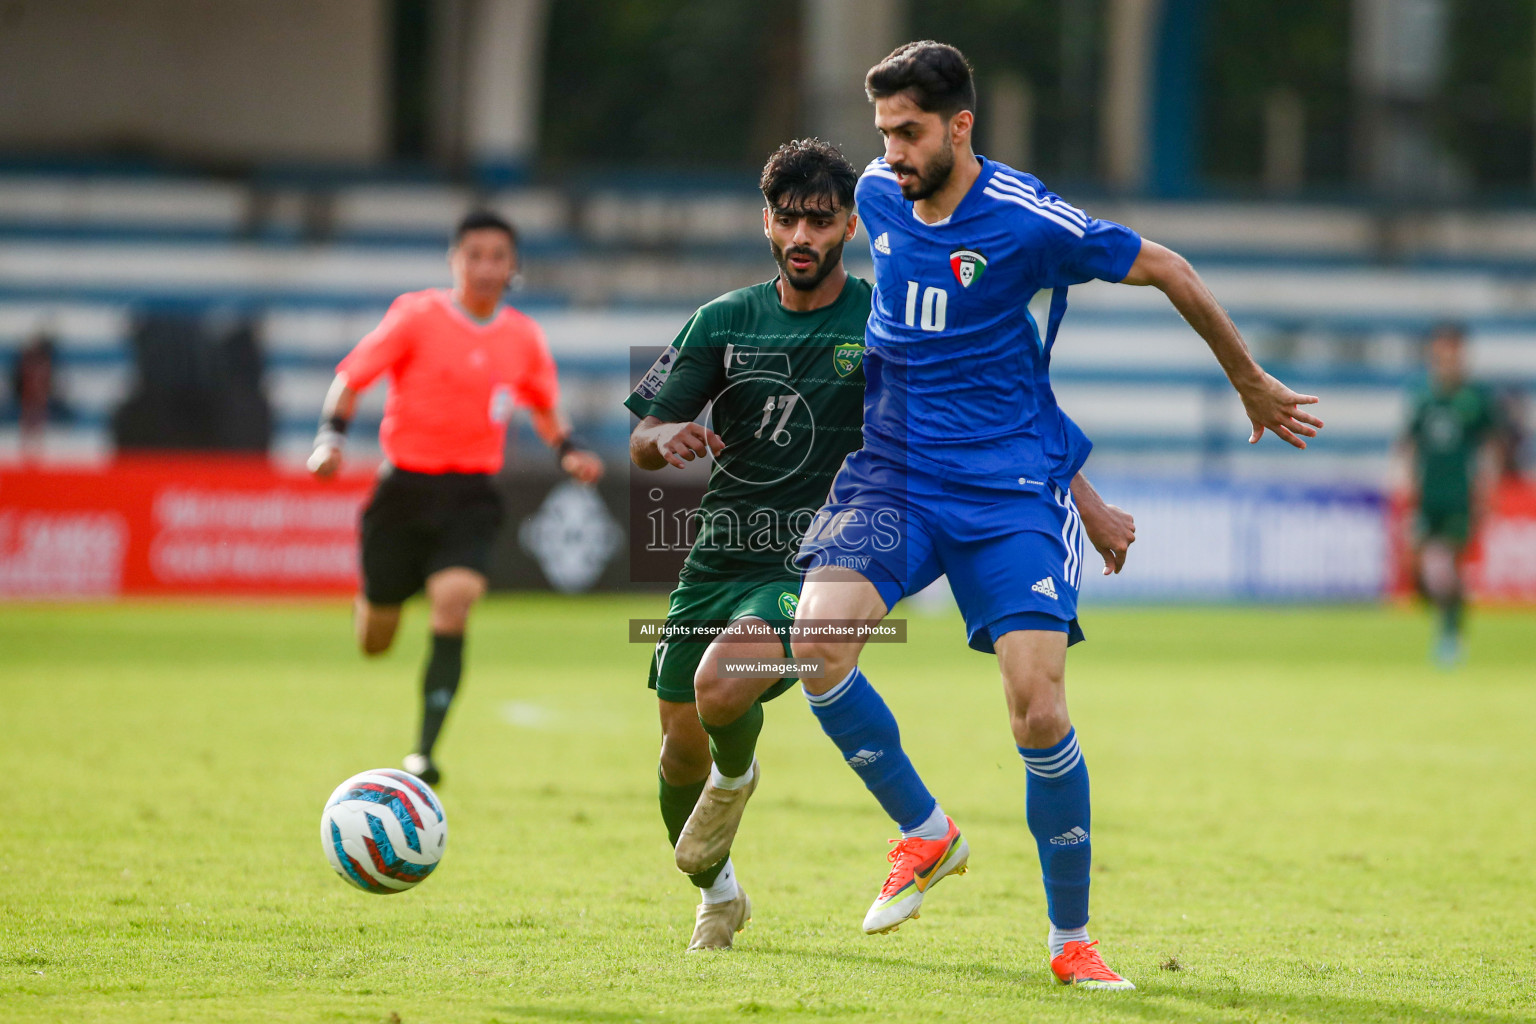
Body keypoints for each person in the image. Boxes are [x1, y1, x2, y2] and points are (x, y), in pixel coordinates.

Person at [789, 41, 1322, 991]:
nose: (892, 154)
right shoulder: (876, 195)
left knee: (1038, 711)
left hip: (1005, 496)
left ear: (960, 127)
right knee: (815, 647)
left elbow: (1167, 267)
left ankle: (1069, 941)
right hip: (892, 478)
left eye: (909, 133)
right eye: (883, 134)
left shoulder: (1030, 220)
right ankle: (925, 831)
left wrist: (1248, 381)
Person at [625, 138, 1137, 954]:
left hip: (826, 552)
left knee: (722, 685)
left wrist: (1089, 502)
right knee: (678, 739)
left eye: (820, 221)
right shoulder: (720, 321)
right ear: (767, 223)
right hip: (719, 556)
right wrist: (669, 436)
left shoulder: (885, 315)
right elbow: (642, 439)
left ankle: (745, 780)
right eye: (788, 219)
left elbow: (994, 420)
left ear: (850, 226)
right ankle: (717, 890)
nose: (802, 236)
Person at [310, 209, 603, 785]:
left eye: (499, 256)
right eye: (476, 255)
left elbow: (541, 401)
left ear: (514, 266)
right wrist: (330, 439)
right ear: (455, 260)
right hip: (403, 490)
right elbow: (350, 379)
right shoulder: (416, 316)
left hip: (469, 494)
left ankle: (422, 752)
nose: (487, 266)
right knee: (376, 641)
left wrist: (566, 447)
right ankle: (371, 600)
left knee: (455, 602)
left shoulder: (522, 336)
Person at [1402, 325, 1503, 666]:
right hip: (1427, 494)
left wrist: (1487, 490)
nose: (1445, 359)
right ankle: (1447, 621)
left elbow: (1491, 445)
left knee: (1450, 564)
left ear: (1461, 355)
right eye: (1440, 353)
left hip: (1460, 495)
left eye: (1451, 353)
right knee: (1422, 568)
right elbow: (1410, 444)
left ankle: (1450, 635)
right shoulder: (1423, 397)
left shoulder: (1475, 398)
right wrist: (1407, 486)